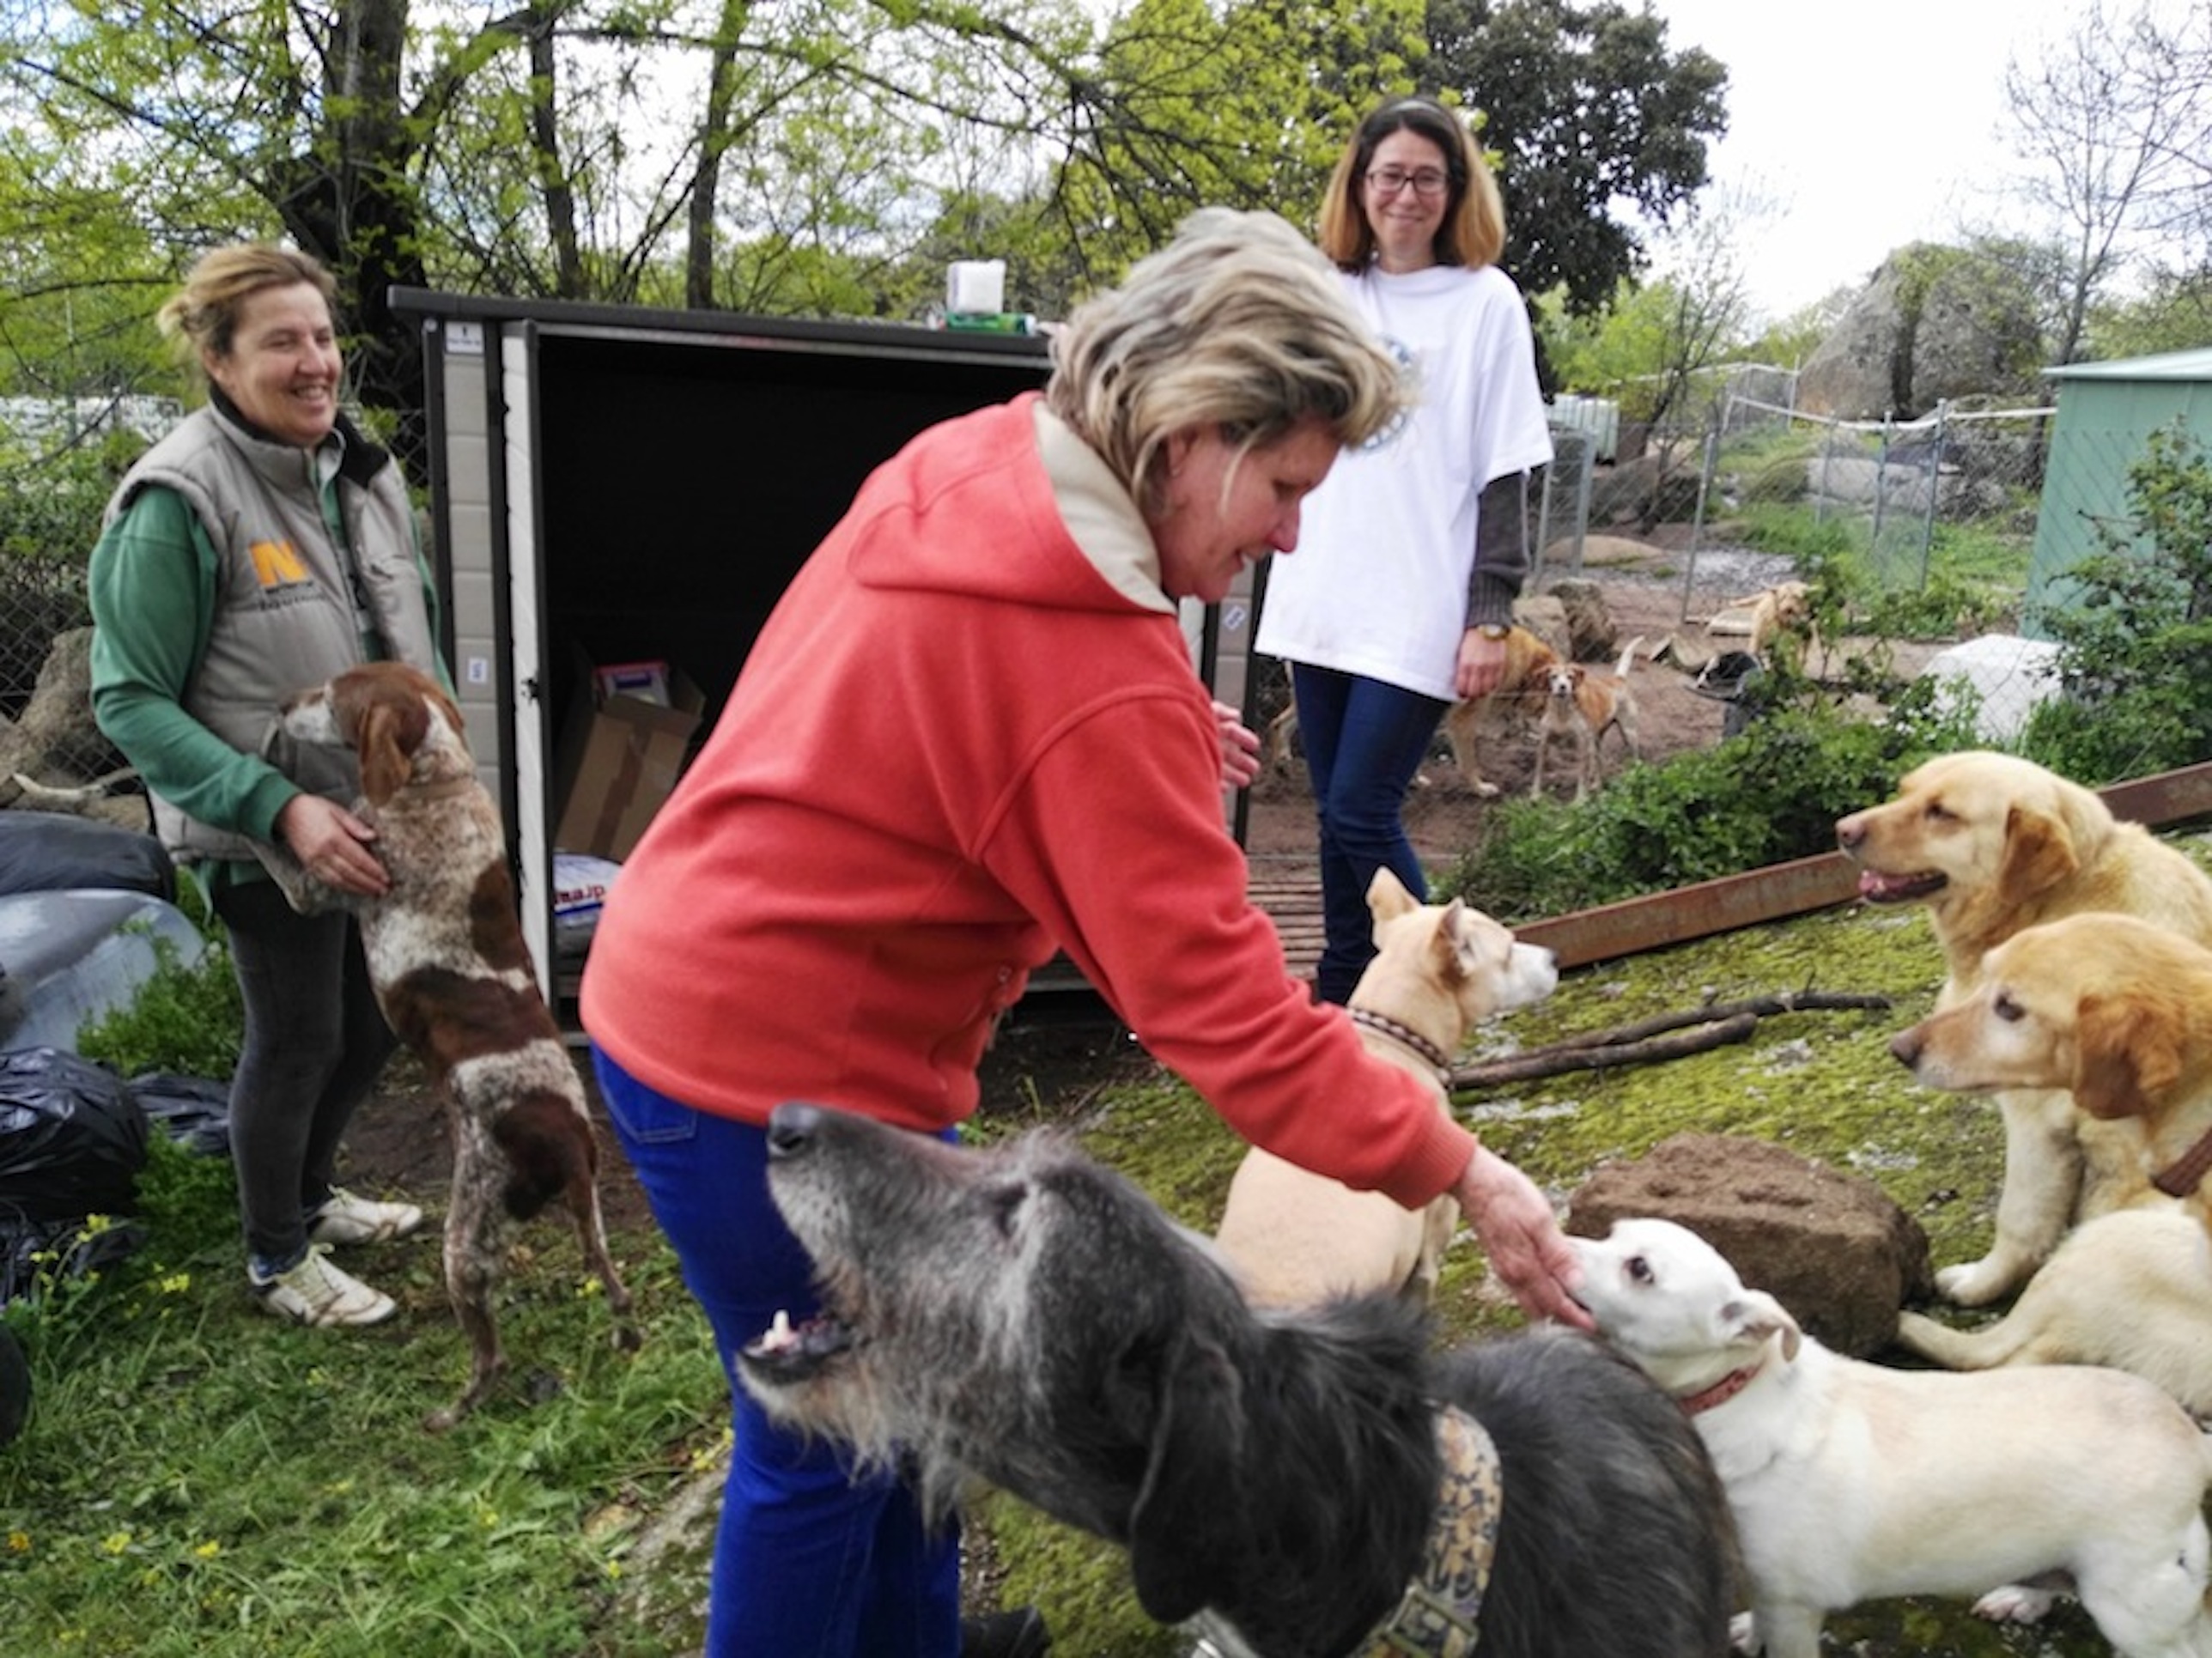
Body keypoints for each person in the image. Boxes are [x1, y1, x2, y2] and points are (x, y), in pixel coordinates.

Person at [581, 205, 1589, 1658]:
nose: (1290, 533)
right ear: (1194, 434)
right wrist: (1464, 1169)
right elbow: (1234, 1028)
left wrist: (1160, 719)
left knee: (926, 1390)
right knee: (823, 1442)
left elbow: (975, 706)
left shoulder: (983, 460)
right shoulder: (1091, 680)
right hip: (761, 1058)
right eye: (1285, 487)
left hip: (691, 958)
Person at [88, 242, 447, 1327]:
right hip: (259, 829)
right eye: (282, 341)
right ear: (218, 358)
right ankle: (276, 1254)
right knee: (297, 1037)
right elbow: (129, 699)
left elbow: (407, 631)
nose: (315, 362)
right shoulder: (177, 498)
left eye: (323, 337)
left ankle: (311, 1193)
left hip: (374, 814)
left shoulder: (360, 472)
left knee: (371, 1025)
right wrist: (279, 807)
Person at [1254, 94, 1555, 1005]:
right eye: (1389, 175)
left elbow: (1505, 469)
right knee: (1332, 815)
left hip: (1420, 600)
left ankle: (1459, 985)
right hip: (1322, 589)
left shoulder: (1485, 301)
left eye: (1427, 177)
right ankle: (1346, 994)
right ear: (1360, 185)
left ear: (1455, 190)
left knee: (1361, 806)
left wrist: (1490, 615)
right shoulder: (1328, 291)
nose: (1406, 195)